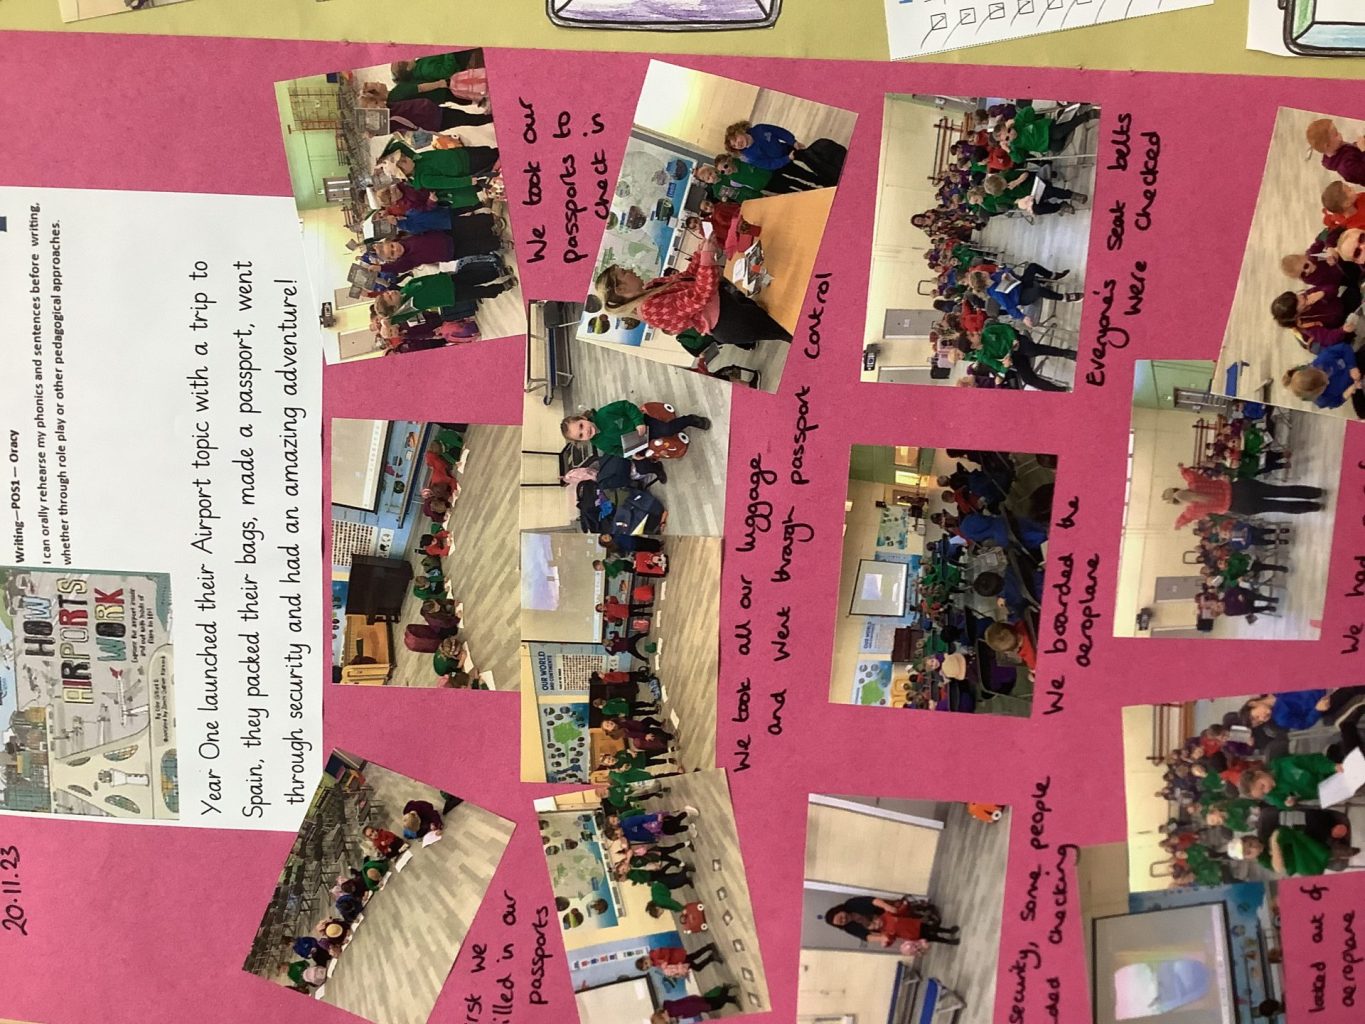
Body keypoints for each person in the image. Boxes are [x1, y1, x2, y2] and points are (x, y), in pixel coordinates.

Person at [593, 232, 792, 352]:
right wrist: (706, 257)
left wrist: (700, 251)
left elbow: (689, 276)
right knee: (788, 331)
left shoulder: (652, 287)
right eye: (625, 272)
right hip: (729, 321)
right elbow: (698, 296)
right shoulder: (649, 308)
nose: (631, 270)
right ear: (621, 289)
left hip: (730, 307)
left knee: (785, 320)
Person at [1165, 465, 1325, 527]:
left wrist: (1177, 525)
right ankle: (1315, 493)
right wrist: (1182, 469)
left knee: (1279, 507)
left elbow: (1182, 520)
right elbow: (1189, 474)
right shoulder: (1195, 483)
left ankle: (1314, 507)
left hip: (1240, 506)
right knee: (1281, 491)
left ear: (1177, 503)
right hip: (1241, 488)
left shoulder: (1193, 510)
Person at [561, 400, 710, 459]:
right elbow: (616, 451)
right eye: (581, 435)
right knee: (643, 464)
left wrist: (639, 422)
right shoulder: (599, 443)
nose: (586, 432)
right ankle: (656, 467)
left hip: (643, 424)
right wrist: (631, 456)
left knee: (667, 430)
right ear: (582, 440)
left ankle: (690, 419)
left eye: (581, 426)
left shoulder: (604, 413)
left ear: (583, 418)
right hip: (637, 442)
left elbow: (626, 406)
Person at [824, 896, 961, 946]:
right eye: (841, 922)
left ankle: (944, 928)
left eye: (840, 917)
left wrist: (888, 907)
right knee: (926, 936)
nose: (844, 920)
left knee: (922, 924)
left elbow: (872, 901)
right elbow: (867, 937)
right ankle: (946, 940)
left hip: (887, 912)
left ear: (839, 910)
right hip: (893, 928)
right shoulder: (850, 928)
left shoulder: (851, 904)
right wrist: (882, 938)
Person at [1306, 118, 1365, 185]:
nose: (1340, 134)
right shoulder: (1346, 167)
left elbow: (1354, 151)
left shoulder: (1339, 147)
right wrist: (1363, 150)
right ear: (1328, 145)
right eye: (1336, 134)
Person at [649, 985, 741, 1023]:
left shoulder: (673, 1011)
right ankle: (732, 998)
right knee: (715, 1000)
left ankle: (726, 989)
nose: (667, 1021)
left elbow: (689, 1006)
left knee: (718, 1004)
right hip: (696, 1002)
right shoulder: (670, 1010)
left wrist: (704, 1007)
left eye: (665, 1021)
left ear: (662, 1015)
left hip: (698, 1005)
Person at [636, 941, 724, 976]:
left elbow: (667, 951)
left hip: (679, 957)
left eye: (646, 963)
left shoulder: (655, 954)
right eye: (647, 967)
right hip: (680, 963)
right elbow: (667, 966)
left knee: (696, 959)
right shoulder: (655, 964)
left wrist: (666, 961)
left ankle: (710, 951)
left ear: (645, 957)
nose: (649, 965)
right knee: (696, 960)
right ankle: (711, 954)